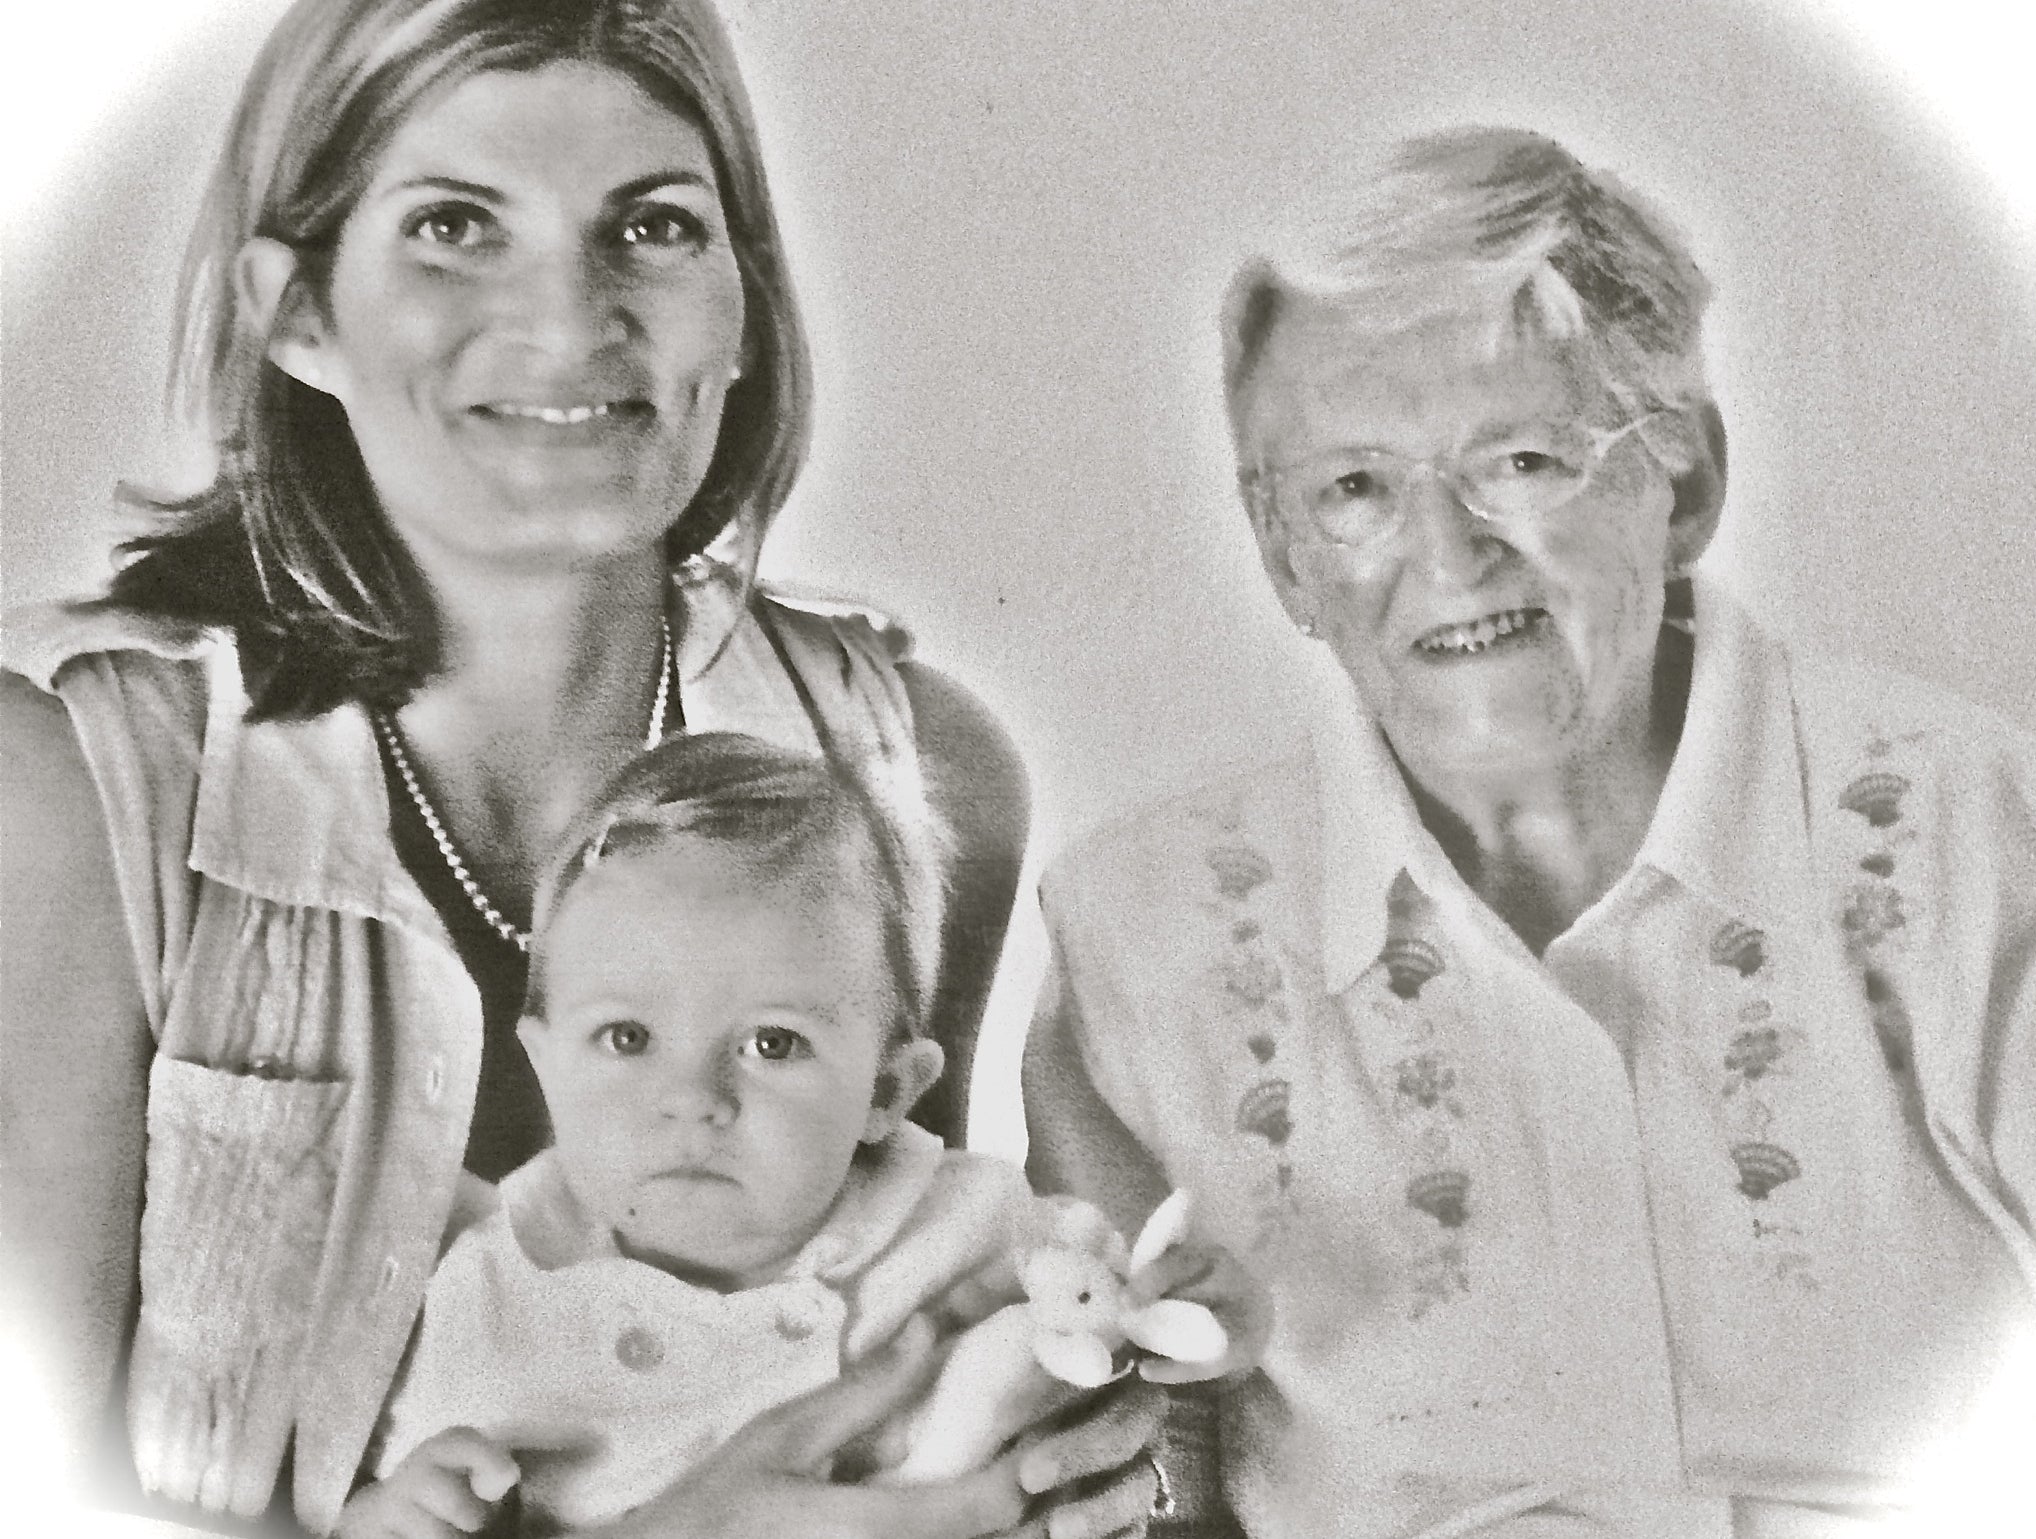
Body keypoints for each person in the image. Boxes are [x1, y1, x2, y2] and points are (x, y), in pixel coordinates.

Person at [0, 1, 1166, 1533]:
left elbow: (898, 1322)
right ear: (294, 313)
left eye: (653, 226)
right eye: (453, 225)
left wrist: (1072, 1448)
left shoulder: (918, 771)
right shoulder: (70, 791)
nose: (567, 321)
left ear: (743, 304)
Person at [1024, 125, 2036, 1538]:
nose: (1447, 556)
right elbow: (1141, 1490)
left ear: (1680, 482)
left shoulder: (1978, 839)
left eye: (1517, 458)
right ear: (1282, 558)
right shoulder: (1136, 943)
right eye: (1354, 488)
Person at [346, 732, 1018, 1535]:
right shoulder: (482, 1299)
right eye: (627, 1036)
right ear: (547, 1064)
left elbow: (1122, 1330)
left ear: (886, 1088)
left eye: (772, 1043)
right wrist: (391, 1517)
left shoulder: (973, 1231)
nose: (693, 1099)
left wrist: (1181, 1330)